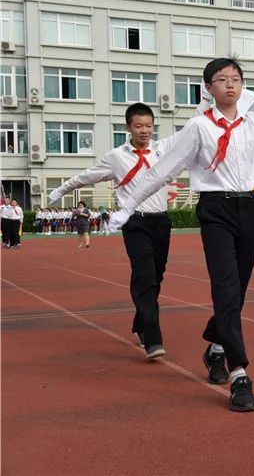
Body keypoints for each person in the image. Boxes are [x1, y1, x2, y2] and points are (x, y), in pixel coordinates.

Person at [107, 29, 254, 412]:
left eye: (236, 79)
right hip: (214, 210)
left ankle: (216, 344)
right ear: (208, 88)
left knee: (239, 288)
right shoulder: (199, 127)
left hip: (248, 207)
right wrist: (128, 204)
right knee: (225, 288)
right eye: (222, 80)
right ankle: (239, 374)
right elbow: (163, 169)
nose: (230, 85)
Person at [49, 102, 178, 360]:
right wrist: (61, 189)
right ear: (128, 127)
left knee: (157, 276)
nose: (145, 131)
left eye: (149, 126)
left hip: (161, 222)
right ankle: (153, 339)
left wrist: (209, 100)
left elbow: (193, 129)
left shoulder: (163, 149)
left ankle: (141, 323)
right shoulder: (116, 157)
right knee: (145, 275)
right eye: (139, 126)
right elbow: (87, 176)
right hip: (134, 223)